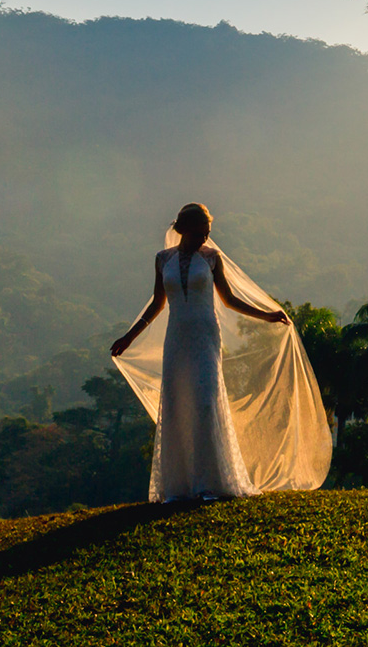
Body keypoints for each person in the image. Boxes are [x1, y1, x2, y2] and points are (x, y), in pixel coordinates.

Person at [110, 203, 332, 500]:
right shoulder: (163, 260)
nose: (206, 237)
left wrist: (267, 315)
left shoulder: (212, 258)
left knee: (204, 403)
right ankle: (178, 487)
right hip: (176, 339)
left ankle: (208, 483)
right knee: (177, 405)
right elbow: (157, 304)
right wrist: (129, 337)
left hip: (205, 337)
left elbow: (229, 300)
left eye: (208, 232)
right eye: (202, 232)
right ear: (186, 230)